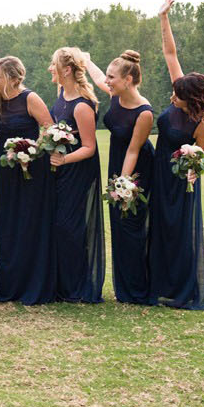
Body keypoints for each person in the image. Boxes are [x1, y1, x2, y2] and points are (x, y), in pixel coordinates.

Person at [149, 0, 204, 309]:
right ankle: (157, 284)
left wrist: (191, 168)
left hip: (180, 182)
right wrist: (163, 18)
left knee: (178, 231)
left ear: (190, 98)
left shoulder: (202, 124)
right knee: (157, 229)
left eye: (177, 94)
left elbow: (198, 160)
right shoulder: (179, 94)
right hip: (157, 171)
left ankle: (181, 289)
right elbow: (170, 53)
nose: (172, 95)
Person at [0, 56, 59, 305]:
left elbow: (50, 129)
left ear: (13, 78)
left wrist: (31, 150)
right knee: (8, 223)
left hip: (32, 169)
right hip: (6, 169)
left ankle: (33, 283)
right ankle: (11, 283)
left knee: (30, 223)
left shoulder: (30, 98)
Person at [89, 50, 155, 305]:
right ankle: (123, 287)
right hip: (118, 164)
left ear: (128, 80)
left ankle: (137, 289)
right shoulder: (115, 95)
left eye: (112, 77)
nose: (107, 81)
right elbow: (96, 78)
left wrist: (122, 185)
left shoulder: (144, 112)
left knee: (132, 225)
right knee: (117, 224)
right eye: (107, 75)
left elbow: (134, 150)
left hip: (136, 170)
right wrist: (85, 60)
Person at [48, 46, 105, 304]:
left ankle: (76, 286)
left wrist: (63, 159)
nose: (50, 68)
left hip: (77, 172)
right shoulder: (61, 94)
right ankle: (60, 282)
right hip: (59, 172)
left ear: (67, 70)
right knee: (58, 226)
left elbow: (90, 148)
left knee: (69, 227)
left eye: (54, 64)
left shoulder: (82, 106)